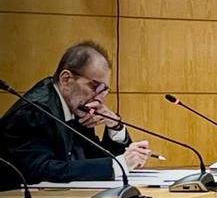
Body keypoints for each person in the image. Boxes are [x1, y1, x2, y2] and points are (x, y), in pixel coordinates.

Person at [0, 41, 151, 187]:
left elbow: (96, 160)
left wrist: (114, 126)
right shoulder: (34, 113)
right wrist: (117, 165)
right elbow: (41, 171)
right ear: (66, 79)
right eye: (96, 87)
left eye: (104, 90)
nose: (100, 98)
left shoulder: (75, 107)